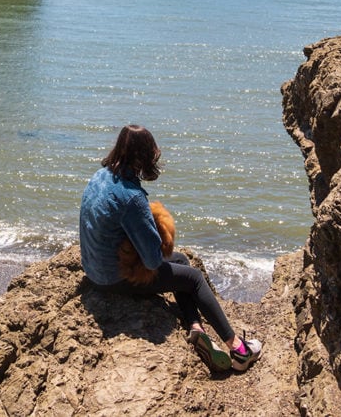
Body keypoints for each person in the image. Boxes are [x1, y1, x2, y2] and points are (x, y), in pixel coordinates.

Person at [78, 124, 262, 372]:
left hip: (93, 267)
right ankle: (239, 350)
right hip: (113, 278)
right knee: (194, 278)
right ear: (143, 156)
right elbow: (153, 262)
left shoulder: (100, 176)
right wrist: (159, 233)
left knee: (182, 262)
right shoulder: (133, 198)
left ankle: (195, 327)